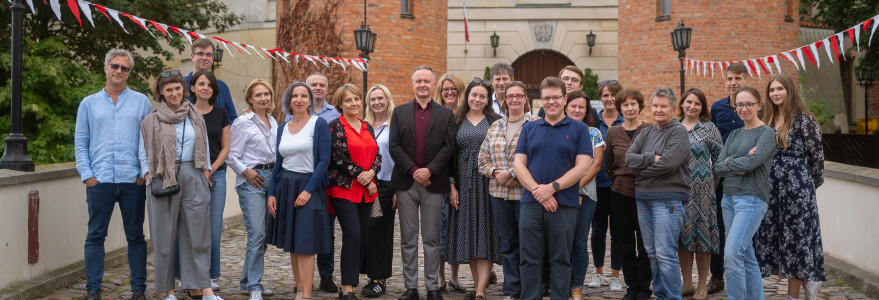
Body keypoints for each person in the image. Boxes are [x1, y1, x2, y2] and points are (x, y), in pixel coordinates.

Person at [75, 48, 152, 300]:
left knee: (136, 236)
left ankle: (138, 290)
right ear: (106, 67)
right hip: (100, 180)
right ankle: (93, 290)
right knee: (95, 235)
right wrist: (88, 175)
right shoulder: (88, 103)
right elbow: (81, 141)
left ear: (129, 72)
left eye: (124, 68)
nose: (119, 71)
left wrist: (143, 174)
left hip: (133, 181)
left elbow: (148, 140)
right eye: (115, 66)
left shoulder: (142, 102)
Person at [139, 69, 216, 300]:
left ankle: (201, 286)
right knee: (164, 237)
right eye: (169, 89)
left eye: (177, 88)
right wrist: (148, 176)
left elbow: (204, 146)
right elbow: (142, 152)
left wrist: (205, 172)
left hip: (194, 174)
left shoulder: (195, 116)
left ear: (184, 89)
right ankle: (167, 290)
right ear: (161, 92)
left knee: (198, 236)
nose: (174, 93)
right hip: (163, 177)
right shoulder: (150, 120)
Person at [514, 77, 593, 300]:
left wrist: (553, 188)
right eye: (546, 98)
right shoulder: (529, 128)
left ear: (565, 98)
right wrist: (539, 192)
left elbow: (583, 167)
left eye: (556, 97)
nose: (551, 102)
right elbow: (519, 165)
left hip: (565, 203)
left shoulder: (579, 129)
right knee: (529, 258)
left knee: (560, 258)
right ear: (541, 100)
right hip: (531, 202)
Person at [754, 74, 826, 300]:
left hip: (797, 188)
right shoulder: (765, 119)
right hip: (770, 188)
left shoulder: (804, 119)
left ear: (789, 91)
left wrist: (806, 186)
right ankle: (808, 283)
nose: (775, 93)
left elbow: (817, 157)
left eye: (780, 89)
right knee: (779, 238)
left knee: (795, 238)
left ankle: (792, 295)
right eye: (772, 90)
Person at [389, 66, 456, 300]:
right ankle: (410, 288)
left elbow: (448, 147)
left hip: (434, 183)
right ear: (413, 84)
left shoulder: (445, 114)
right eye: (418, 81)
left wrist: (430, 170)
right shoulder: (399, 112)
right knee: (408, 238)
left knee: (431, 238)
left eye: (427, 81)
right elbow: (394, 145)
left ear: (433, 84)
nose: (422, 85)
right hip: (406, 183)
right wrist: (414, 170)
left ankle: (432, 287)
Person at [266, 82, 332, 300]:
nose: (299, 100)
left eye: (304, 96)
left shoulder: (318, 124)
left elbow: (324, 161)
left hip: (309, 186)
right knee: (293, 244)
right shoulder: (283, 128)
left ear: (310, 101)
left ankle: (307, 295)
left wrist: (308, 190)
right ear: (289, 100)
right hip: (286, 185)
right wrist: (272, 193)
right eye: (295, 96)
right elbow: (278, 162)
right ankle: (298, 290)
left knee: (305, 244)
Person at [625, 87, 692, 300]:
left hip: (669, 199)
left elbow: (669, 163)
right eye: (655, 105)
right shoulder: (646, 132)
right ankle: (662, 294)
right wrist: (651, 157)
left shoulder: (678, 131)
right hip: (644, 199)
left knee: (665, 253)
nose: (658, 110)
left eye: (663, 106)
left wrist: (642, 172)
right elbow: (628, 159)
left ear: (673, 108)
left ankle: (672, 297)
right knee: (652, 253)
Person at [713, 86, 777, 300]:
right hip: (728, 200)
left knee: (731, 255)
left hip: (751, 200)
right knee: (746, 255)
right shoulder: (734, 135)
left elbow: (753, 162)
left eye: (749, 104)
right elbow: (718, 166)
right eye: (740, 104)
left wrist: (733, 162)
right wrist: (738, 164)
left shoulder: (767, 133)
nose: (744, 108)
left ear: (759, 106)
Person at [477, 81, 539, 300]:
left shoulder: (536, 124)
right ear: (504, 100)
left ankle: (531, 289)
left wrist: (513, 174)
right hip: (499, 195)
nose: (514, 99)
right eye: (510, 96)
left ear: (525, 99)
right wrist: (496, 173)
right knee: (508, 244)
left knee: (529, 244)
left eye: (518, 96)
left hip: (526, 195)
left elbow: (539, 158)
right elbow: (482, 159)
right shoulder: (495, 126)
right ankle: (512, 290)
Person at [283, 72, 342, 292]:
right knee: (300, 232)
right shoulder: (290, 118)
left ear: (326, 89)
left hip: (327, 180)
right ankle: (302, 283)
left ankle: (326, 275)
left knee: (325, 230)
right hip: (299, 181)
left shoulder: (334, 114)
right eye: (313, 85)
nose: (317, 88)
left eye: (321, 85)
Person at [446, 78, 501, 300]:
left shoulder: (494, 121)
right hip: (464, 186)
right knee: (469, 234)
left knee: (486, 233)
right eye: (474, 95)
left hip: (488, 184)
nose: (477, 99)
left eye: (482, 96)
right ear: (467, 96)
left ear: (487, 100)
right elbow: (449, 156)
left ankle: (480, 290)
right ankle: (478, 285)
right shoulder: (456, 121)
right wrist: (452, 185)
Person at [327, 83, 381, 300]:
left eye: (357, 99)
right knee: (353, 235)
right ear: (340, 103)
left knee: (361, 238)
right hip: (343, 190)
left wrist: (371, 174)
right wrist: (364, 177)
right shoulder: (335, 126)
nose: (354, 103)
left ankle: (351, 283)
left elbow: (378, 155)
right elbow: (338, 157)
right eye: (349, 100)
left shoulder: (367, 126)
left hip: (366, 192)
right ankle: (347, 289)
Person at [226, 79, 278, 300]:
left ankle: (247, 282)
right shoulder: (242, 122)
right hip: (252, 180)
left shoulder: (274, 121)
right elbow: (230, 154)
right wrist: (246, 172)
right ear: (250, 99)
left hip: (272, 178)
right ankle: (255, 284)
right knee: (256, 233)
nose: (263, 98)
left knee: (263, 235)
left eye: (266, 94)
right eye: (258, 95)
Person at [185, 71, 230, 298]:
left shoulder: (221, 114)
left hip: (216, 176)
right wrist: (198, 171)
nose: (205, 88)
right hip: (190, 176)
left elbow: (225, 148)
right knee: (190, 230)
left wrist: (210, 169)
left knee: (212, 231)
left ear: (214, 90)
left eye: (209, 85)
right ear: (192, 87)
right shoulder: (183, 112)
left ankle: (208, 278)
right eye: (200, 84)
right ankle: (188, 276)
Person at [604, 88, 653, 300]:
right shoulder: (613, 133)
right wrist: (619, 179)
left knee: (645, 246)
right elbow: (608, 164)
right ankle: (631, 288)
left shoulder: (651, 130)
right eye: (625, 105)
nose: (630, 108)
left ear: (640, 106)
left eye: (634, 104)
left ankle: (643, 288)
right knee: (625, 245)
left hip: (646, 193)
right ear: (620, 108)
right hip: (620, 194)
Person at [707, 62, 749, 294]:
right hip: (722, 176)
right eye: (730, 78)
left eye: (738, 78)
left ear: (746, 80)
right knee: (719, 227)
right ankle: (717, 275)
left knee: (743, 228)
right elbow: (713, 139)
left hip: (747, 176)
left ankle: (743, 274)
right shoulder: (717, 108)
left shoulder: (753, 107)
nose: (734, 82)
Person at [677, 88, 723, 300]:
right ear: (682, 104)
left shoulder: (709, 128)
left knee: (703, 239)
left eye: (697, 103)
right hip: (678, 191)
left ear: (702, 107)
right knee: (683, 238)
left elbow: (720, 160)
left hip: (704, 193)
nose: (692, 106)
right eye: (689, 102)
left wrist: (710, 184)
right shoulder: (673, 127)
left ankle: (702, 286)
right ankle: (686, 283)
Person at [564, 90, 605, 300]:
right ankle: (561, 283)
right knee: (560, 241)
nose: (577, 110)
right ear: (566, 106)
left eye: (582, 107)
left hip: (585, 195)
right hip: (559, 194)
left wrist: (573, 186)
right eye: (574, 106)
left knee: (579, 242)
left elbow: (595, 166)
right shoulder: (556, 129)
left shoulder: (594, 133)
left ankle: (577, 286)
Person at [361, 84, 397, 297]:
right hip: (365, 184)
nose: (376, 103)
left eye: (380, 98)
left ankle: (379, 279)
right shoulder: (365, 125)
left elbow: (400, 158)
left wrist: (397, 190)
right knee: (366, 229)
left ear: (387, 99)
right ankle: (370, 274)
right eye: (372, 99)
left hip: (385, 184)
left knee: (379, 230)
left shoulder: (395, 125)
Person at [432, 73, 466, 291]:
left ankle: (454, 276)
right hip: (443, 179)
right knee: (441, 230)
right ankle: (440, 276)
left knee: (458, 229)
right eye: (445, 89)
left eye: (453, 88)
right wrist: (451, 183)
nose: (449, 92)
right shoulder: (436, 115)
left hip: (466, 179)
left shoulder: (466, 115)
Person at [591, 80, 624, 291]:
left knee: (619, 232)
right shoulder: (594, 121)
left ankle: (615, 275)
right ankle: (598, 273)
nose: (609, 99)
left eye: (613, 95)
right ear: (600, 98)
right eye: (605, 95)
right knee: (597, 231)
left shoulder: (625, 120)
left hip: (621, 184)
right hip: (599, 182)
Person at [185, 38, 238, 124]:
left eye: (208, 54)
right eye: (200, 54)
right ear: (192, 57)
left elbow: (233, 118)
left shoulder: (222, 87)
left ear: (212, 58)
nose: (204, 58)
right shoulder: (181, 85)